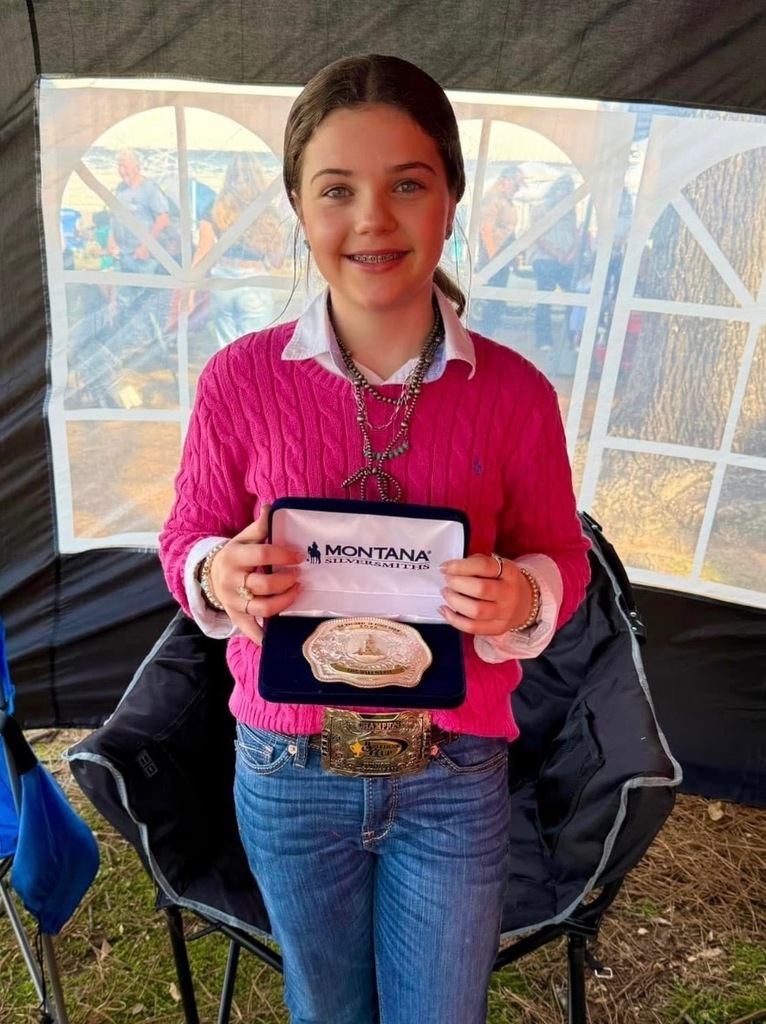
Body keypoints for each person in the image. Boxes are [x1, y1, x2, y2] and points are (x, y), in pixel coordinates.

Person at [159, 54, 590, 1024]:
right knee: (326, 1009)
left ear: (450, 200)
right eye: (336, 189)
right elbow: (186, 535)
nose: (371, 218)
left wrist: (520, 597)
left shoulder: (515, 394)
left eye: (406, 184)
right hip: (286, 771)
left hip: (451, 775)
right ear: (300, 209)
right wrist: (220, 573)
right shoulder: (239, 380)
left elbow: (559, 553)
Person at [192, 152, 286, 348]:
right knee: (255, 352)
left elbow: (203, 253)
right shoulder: (267, 212)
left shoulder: (215, 208)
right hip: (255, 283)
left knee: (226, 352)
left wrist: (190, 292)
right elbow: (277, 261)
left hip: (223, 282)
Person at [107, 149, 177, 363]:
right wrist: (111, 241)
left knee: (144, 302)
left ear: (136, 166)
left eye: (125, 165)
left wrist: (146, 246)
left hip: (144, 258)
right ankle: (132, 345)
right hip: (124, 255)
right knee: (124, 302)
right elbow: (114, 220)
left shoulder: (150, 189)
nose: (121, 170)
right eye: (119, 166)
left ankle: (150, 347)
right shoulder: (120, 190)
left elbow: (163, 219)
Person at [530, 173, 580, 351]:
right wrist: (557, 254)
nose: (564, 194)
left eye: (568, 190)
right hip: (545, 260)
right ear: (555, 190)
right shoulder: (542, 208)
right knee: (544, 299)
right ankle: (544, 340)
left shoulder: (572, 211)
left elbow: (577, 235)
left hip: (567, 261)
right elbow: (538, 236)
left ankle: (571, 339)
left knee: (573, 299)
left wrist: (571, 254)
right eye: (562, 189)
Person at [474, 163, 524, 337]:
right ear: (506, 181)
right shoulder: (493, 200)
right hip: (494, 259)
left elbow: (510, 232)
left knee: (498, 302)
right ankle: (487, 334)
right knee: (492, 301)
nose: (517, 190)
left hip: (504, 258)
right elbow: (486, 230)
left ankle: (490, 334)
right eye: (516, 185)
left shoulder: (506, 202)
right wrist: (492, 258)